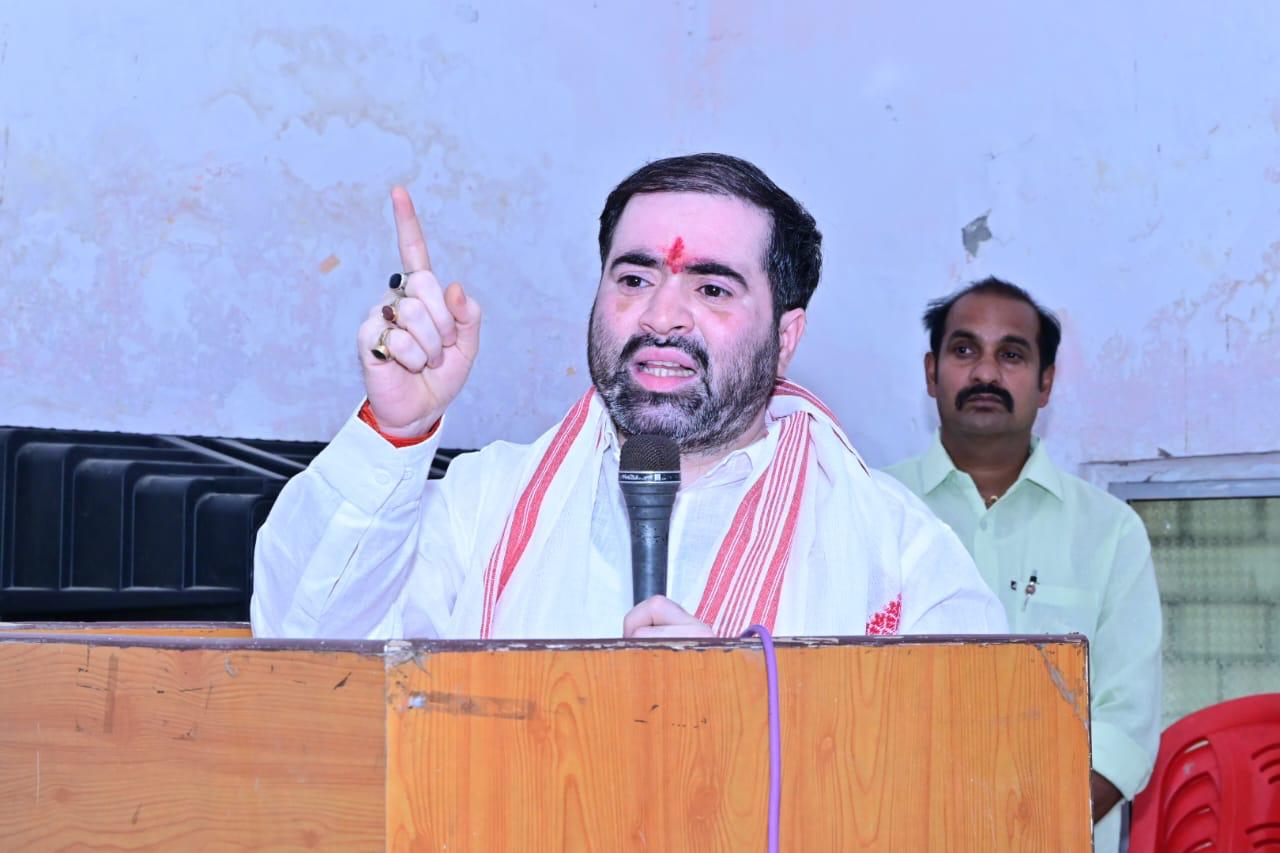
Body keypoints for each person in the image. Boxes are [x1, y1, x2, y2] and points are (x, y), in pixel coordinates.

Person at [251, 153, 1006, 641]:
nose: (661, 316)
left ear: (786, 337)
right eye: (635, 278)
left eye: (712, 288)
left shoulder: (893, 548)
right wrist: (395, 429)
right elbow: (303, 650)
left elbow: (975, 763)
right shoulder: (484, 506)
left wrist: (759, 715)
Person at [883, 278, 1161, 850]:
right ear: (932, 373)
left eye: (1011, 355)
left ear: (1046, 382)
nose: (985, 373)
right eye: (965, 350)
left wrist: (1029, 832)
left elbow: (1127, 724)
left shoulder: (1110, 532)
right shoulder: (869, 511)